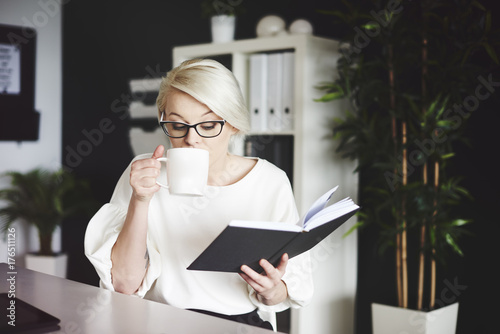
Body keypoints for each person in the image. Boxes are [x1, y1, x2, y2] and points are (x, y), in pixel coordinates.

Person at [84, 58, 313, 331]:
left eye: (207, 126)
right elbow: (124, 285)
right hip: (160, 322)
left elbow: (287, 288)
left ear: (234, 125)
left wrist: (271, 290)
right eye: (178, 126)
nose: (191, 139)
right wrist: (141, 200)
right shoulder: (143, 175)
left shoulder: (270, 182)